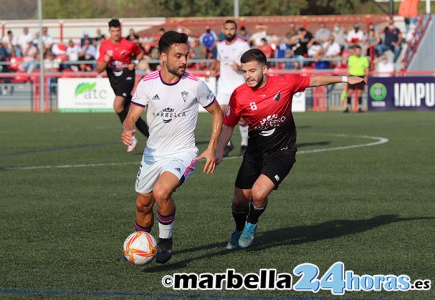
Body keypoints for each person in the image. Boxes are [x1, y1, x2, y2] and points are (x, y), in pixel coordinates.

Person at [215, 48, 365, 249]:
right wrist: (218, 150)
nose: (248, 76)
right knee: (238, 202)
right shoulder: (239, 95)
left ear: (264, 69)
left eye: (252, 70)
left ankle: (251, 224)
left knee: (258, 194)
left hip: (282, 152)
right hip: (255, 153)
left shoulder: (285, 82)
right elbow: (228, 125)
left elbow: (315, 81)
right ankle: (238, 228)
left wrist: (345, 78)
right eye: (244, 71)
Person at [121, 30, 224, 264]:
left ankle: (165, 241)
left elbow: (218, 112)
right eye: (178, 56)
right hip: (153, 154)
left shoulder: (196, 85)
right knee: (142, 203)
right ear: (164, 56)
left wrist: (212, 148)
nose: (185, 61)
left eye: (186, 55)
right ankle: (141, 243)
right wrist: (127, 129)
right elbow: (132, 115)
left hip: (182, 152)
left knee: (161, 192)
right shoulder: (147, 84)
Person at [96, 19, 149, 152]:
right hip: (114, 79)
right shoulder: (103, 46)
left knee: (117, 105)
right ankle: (153, 138)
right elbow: (99, 69)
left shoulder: (128, 44)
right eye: (113, 31)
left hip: (127, 76)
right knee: (131, 111)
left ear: (121, 30)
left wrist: (135, 62)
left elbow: (140, 53)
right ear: (109, 31)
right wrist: (106, 62)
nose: (116, 33)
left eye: (118, 30)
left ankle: (130, 137)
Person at [209, 20, 250, 157]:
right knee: (220, 115)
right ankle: (227, 144)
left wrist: (240, 67)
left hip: (238, 84)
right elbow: (218, 60)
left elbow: (251, 63)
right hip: (223, 85)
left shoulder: (243, 45)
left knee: (241, 118)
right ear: (223, 30)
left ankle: (245, 143)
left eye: (232, 29)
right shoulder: (220, 45)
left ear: (236, 30)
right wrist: (212, 69)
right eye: (226, 29)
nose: (229, 32)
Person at [344, 45, 369, 113]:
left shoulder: (364, 59)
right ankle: (348, 107)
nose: (358, 52)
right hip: (352, 76)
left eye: (359, 51)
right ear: (355, 52)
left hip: (360, 76)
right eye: (357, 51)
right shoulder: (351, 58)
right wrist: (347, 77)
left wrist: (366, 76)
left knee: (359, 93)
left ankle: (359, 107)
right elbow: (348, 68)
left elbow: (366, 69)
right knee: (349, 92)